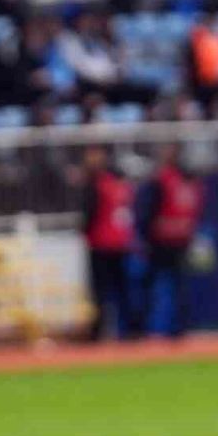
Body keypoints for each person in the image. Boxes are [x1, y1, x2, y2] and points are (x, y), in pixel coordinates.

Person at [138, 146, 204, 338]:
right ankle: (165, 328)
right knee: (168, 287)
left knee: (169, 287)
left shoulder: (168, 180)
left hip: (170, 241)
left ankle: (167, 329)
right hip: (168, 241)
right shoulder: (175, 181)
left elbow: (146, 212)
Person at [81, 146, 135, 341]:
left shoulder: (99, 185)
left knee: (101, 292)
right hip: (121, 243)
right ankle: (127, 330)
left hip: (101, 243)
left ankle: (100, 332)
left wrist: (84, 231)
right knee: (122, 290)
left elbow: (90, 214)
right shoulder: (122, 186)